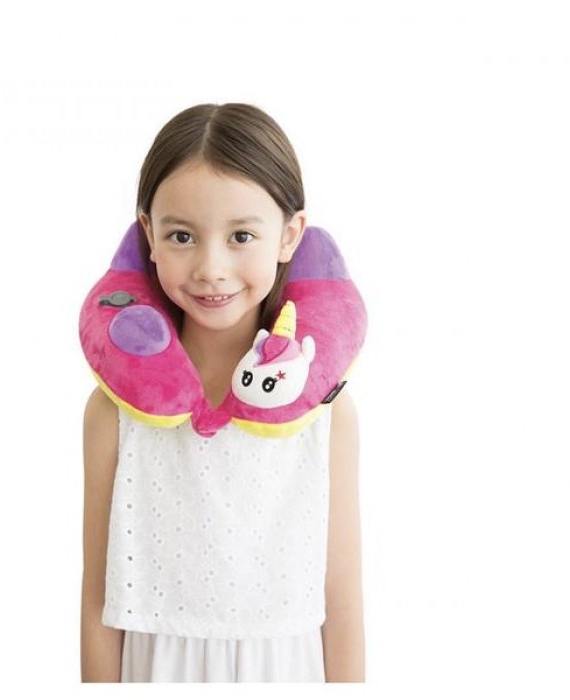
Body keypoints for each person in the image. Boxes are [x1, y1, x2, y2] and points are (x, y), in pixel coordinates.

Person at [80, 103, 365, 682]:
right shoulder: (114, 412)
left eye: (241, 236)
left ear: (289, 235)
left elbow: (342, 600)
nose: (211, 267)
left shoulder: (326, 413)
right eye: (182, 235)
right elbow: (97, 601)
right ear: (148, 236)